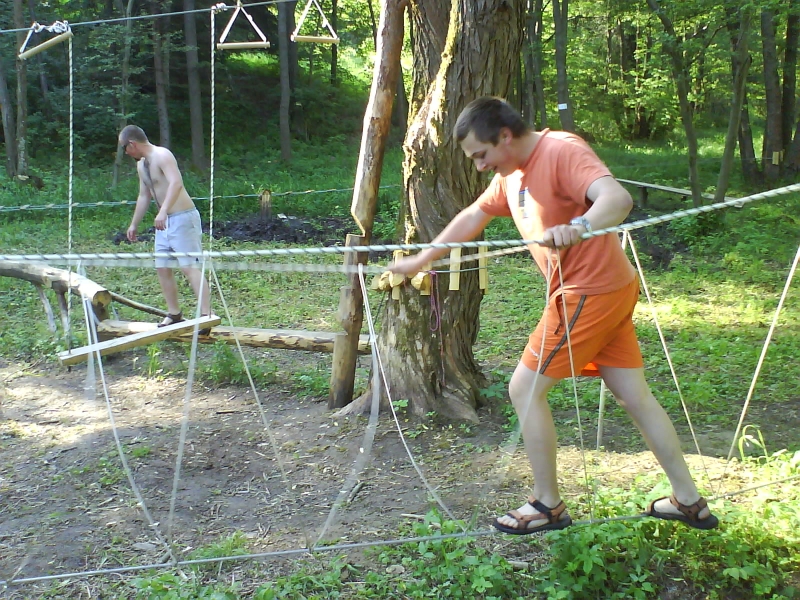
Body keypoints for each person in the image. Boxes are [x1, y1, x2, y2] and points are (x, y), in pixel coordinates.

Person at [390, 97, 718, 534]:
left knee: (524, 389)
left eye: (481, 155)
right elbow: (474, 214)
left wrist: (579, 226)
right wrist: (422, 259)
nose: (480, 167)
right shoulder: (511, 176)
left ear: (505, 135)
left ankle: (547, 505)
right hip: (608, 289)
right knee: (633, 395)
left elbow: (616, 199)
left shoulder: (561, 150)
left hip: (589, 292)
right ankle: (689, 501)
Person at [119, 125, 213, 331]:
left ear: (132, 144)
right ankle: (174, 313)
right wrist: (134, 224)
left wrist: (163, 211)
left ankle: (206, 315)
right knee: (162, 267)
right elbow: (144, 195)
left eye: (124, 148)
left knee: (189, 267)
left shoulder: (162, 155)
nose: (125, 152)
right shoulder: (141, 165)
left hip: (182, 217)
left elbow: (176, 183)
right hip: (164, 223)